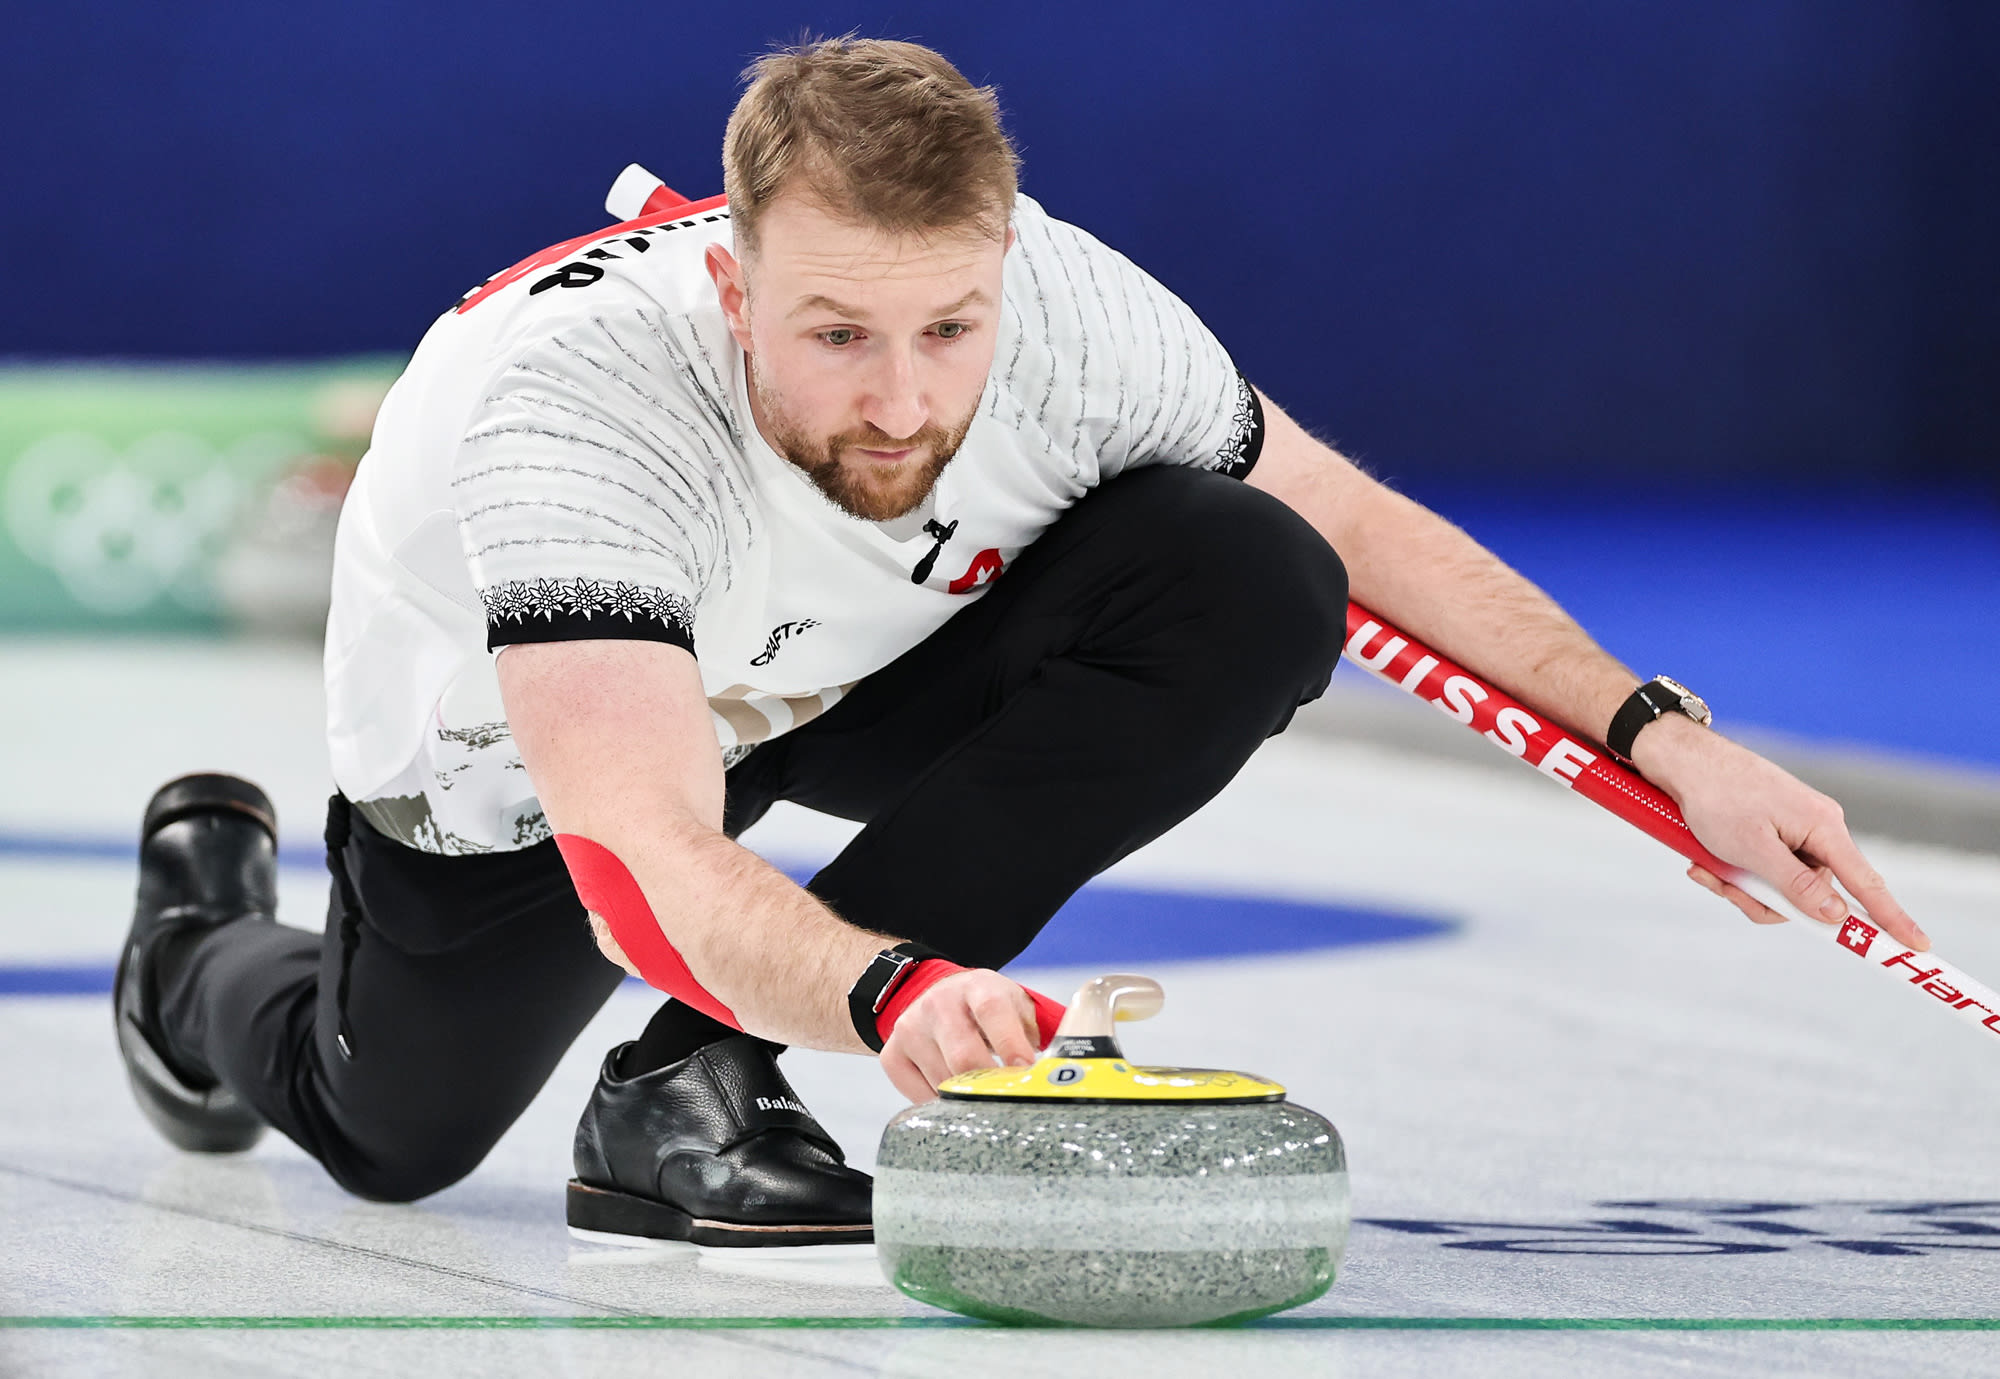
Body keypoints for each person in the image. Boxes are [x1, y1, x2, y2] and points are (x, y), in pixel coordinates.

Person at [112, 37, 1927, 1248]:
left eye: (949, 330)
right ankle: (199, 945)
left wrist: (1667, 736)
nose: (903, 402)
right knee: (386, 1136)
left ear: (1004, 266)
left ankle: (695, 1082)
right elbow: (644, 854)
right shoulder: (577, 407)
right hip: (540, 762)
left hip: (853, 668)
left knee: (1250, 570)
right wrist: (894, 989)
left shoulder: (1066, 309)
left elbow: (1366, 535)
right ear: (732, 280)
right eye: (836, 337)